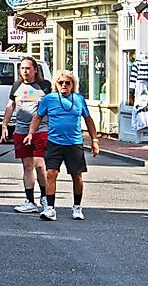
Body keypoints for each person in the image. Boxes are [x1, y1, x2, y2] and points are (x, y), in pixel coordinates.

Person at [28, 70, 100, 221]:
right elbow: (38, 117)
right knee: (50, 174)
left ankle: (77, 207)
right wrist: (31, 133)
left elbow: (88, 119)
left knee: (77, 176)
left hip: (74, 143)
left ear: (73, 85)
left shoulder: (79, 99)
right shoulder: (49, 99)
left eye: (68, 82)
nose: (64, 85)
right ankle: (50, 208)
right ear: (56, 84)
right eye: (61, 82)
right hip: (54, 142)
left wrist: (94, 140)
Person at [0, 56, 51, 213]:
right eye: (22, 68)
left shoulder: (45, 86)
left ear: (35, 69)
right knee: (27, 166)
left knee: (39, 164)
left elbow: (52, 106)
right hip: (21, 130)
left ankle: (46, 197)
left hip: (41, 130)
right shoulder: (17, 85)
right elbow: (10, 106)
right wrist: (4, 125)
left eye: (28, 68)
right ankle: (30, 201)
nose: (25, 71)